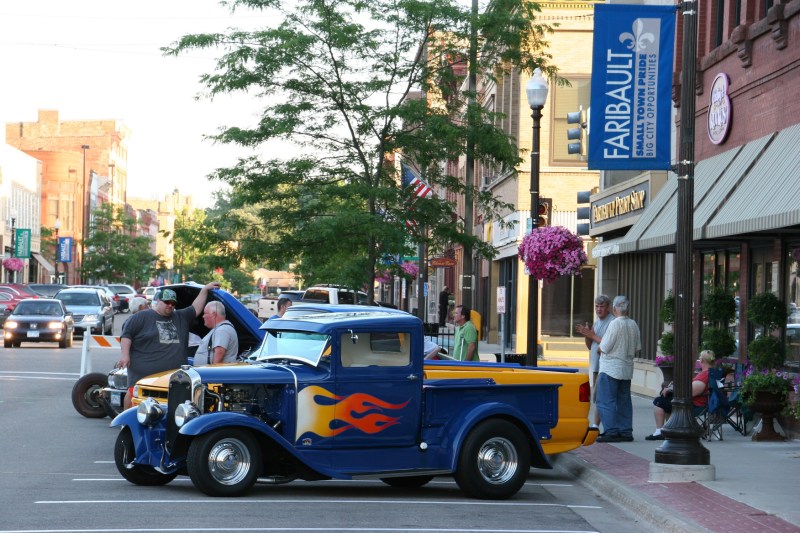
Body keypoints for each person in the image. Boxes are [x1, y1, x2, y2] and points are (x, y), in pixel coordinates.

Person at [116, 281, 220, 409]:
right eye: (167, 302)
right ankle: (126, 419)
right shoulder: (141, 317)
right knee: (134, 397)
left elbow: (196, 308)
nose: (170, 305)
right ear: (158, 301)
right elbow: (126, 335)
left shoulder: (181, 317)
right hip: (143, 375)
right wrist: (125, 356)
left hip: (172, 377)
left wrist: (204, 290)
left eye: (173, 303)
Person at [596, 295, 641, 443]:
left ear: (614, 308)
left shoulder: (615, 324)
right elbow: (637, 347)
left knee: (605, 401)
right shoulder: (633, 324)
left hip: (610, 368)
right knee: (624, 401)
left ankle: (611, 431)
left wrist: (599, 349)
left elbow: (605, 346)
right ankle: (625, 431)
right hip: (626, 368)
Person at [645, 349, 718, 440]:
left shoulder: (704, 375)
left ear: (702, 360)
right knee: (665, 400)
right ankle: (669, 430)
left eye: (699, 359)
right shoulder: (711, 373)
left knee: (659, 402)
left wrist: (672, 389)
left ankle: (659, 431)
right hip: (697, 403)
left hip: (693, 405)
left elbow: (689, 392)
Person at [575, 294, 613, 428]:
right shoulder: (597, 322)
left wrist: (592, 335)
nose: (598, 309)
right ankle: (596, 425)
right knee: (597, 398)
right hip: (596, 366)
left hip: (606, 367)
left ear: (608, 308)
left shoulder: (612, 322)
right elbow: (591, 346)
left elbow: (608, 344)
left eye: (602, 306)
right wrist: (587, 335)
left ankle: (600, 426)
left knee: (602, 398)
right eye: (597, 306)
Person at [194, 300, 239, 365]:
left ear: (214, 315)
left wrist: (213, 370)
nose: (203, 316)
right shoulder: (221, 329)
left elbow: (219, 352)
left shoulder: (222, 330)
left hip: (212, 371)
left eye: (205, 313)